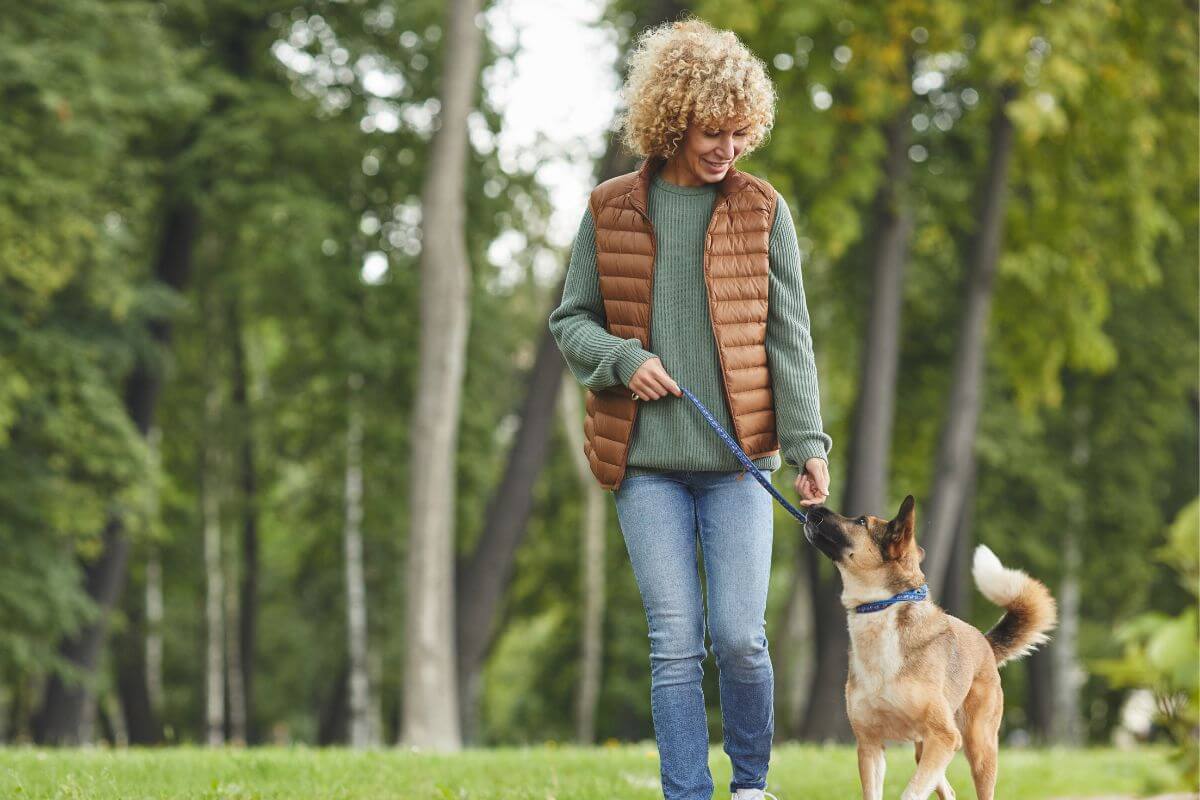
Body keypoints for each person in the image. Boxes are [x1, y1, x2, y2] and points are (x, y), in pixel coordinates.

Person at [548, 16, 832, 800]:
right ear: (674, 119)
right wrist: (623, 359)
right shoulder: (609, 208)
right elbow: (570, 318)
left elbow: (790, 339)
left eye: (742, 134)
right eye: (715, 131)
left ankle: (749, 787)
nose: (729, 149)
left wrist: (809, 443)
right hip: (644, 465)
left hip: (738, 464)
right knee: (675, 643)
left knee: (741, 638)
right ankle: (686, 795)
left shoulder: (764, 211)